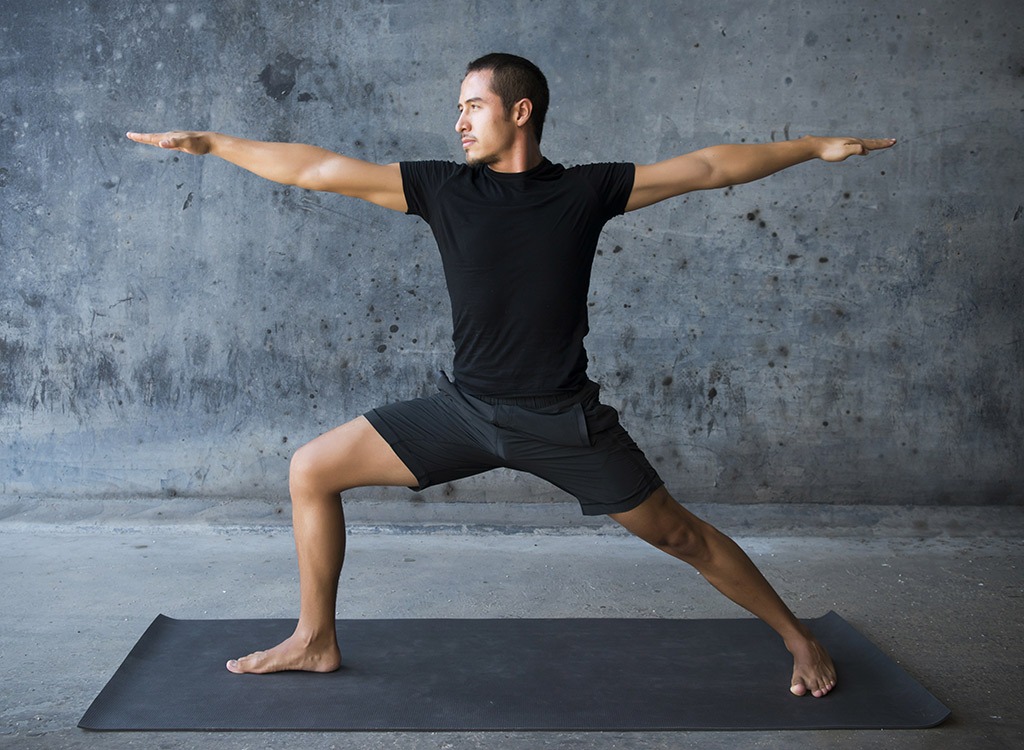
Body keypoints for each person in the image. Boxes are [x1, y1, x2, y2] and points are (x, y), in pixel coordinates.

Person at [128, 52, 895, 698]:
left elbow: (709, 168)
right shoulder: (442, 188)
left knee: (683, 536)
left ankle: (796, 638)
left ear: (520, 112)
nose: (458, 121)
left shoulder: (585, 192)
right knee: (311, 470)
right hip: (464, 411)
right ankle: (314, 638)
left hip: (561, 419)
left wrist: (814, 145)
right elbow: (320, 169)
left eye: (472, 106)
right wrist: (215, 142)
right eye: (456, 109)